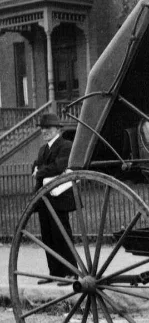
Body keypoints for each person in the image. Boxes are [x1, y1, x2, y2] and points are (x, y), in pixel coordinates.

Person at [32, 113, 77, 283]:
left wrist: (40, 171)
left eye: (48, 128)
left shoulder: (66, 145)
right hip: (44, 199)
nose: (45, 131)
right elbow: (35, 165)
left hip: (59, 197)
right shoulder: (43, 149)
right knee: (48, 236)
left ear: (58, 129)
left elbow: (59, 166)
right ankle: (55, 272)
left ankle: (71, 271)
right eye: (42, 129)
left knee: (62, 235)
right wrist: (40, 169)